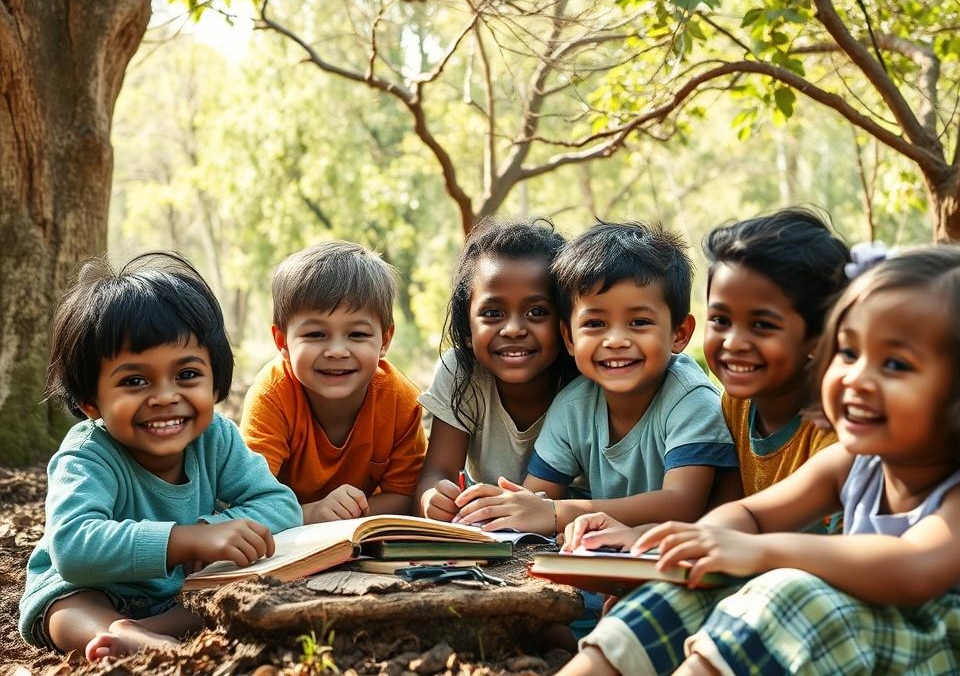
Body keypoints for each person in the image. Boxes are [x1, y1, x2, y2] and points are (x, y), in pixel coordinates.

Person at [558, 245, 960, 676]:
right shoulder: (854, 463)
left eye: (896, 364)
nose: (855, 378)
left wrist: (761, 552)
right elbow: (751, 515)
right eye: (848, 352)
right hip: (872, 647)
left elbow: (910, 569)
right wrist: (692, 545)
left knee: (794, 591)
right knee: (696, 580)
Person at [19, 253, 302, 662]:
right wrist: (186, 540)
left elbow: (280, 504)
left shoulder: (216, 437)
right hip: (95, 589)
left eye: (187, 375)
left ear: (215, 380)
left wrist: (212, 529)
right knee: (66, 608)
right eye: (135, 380)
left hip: (181, 592)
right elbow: (74, 547)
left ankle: (149, 632)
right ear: (90, 401)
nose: (166, 397)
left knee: (231, 590)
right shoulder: (88, 454)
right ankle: (113, 631)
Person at [453, 221, 737, 535]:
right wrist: (504, 508)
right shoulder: (573, 406)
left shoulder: (690, 399)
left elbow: (682, 504)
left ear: (679, 334)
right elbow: (537, 498)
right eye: (595, 323)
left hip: (702, 548)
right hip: (622, 549)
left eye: (639, 322)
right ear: (569, 338)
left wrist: (558, 513)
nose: (615, 340)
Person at [241, 241, 427, 523]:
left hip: (361, 530)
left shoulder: (399, 399)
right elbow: (248, 499)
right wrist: (311, 513)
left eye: (357, 334)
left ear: (385, 340)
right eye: (315, 335)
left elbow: (405, 495)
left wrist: (348, 516)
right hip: (291, 529)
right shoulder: (272, 395)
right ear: (282, 342)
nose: (337, 351)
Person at [415, 219, 577, 521]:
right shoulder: (462, 372)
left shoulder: (584, 380)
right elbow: (437, 472)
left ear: (564, 322)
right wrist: (433, 498)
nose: (513, 329)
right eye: (492, 313)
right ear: (467, 327)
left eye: (537, 312)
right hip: (491, 530)